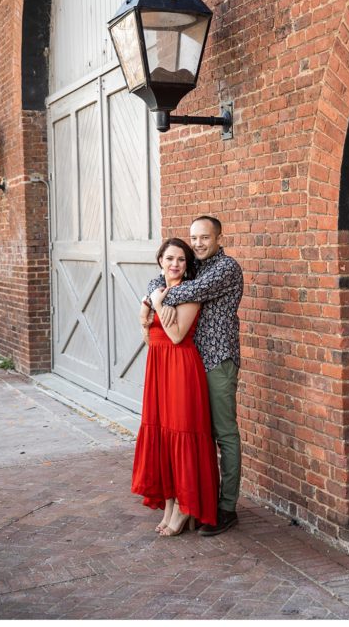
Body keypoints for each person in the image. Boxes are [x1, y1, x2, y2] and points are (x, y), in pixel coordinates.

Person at [143, 215, 244, 536]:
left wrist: (153, 300)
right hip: (189, 363)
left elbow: (181, 289)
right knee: (194, 435)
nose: (198, 243)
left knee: (223, 433)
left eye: (205, 237)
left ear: (218, 238)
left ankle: (226, 507)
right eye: (194, 238)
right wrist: (150, 294)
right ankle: (198, 502)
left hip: (217, 359)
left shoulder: (225, 268)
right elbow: (159, 278)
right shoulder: (195, 265)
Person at [132, 238, 220, 535]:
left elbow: (177, 335)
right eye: (170, 258)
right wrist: (147, 313)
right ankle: (171, 503)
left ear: (187, 264)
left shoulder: (188, 292)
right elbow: (150, 339)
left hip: (182, 368)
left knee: (181, 431)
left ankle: (186, 507)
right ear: (160, 261)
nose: (175, 264)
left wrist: (155, 304)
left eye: (181, 259)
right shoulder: (155, 290)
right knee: (163, 435)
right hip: (158, 368)